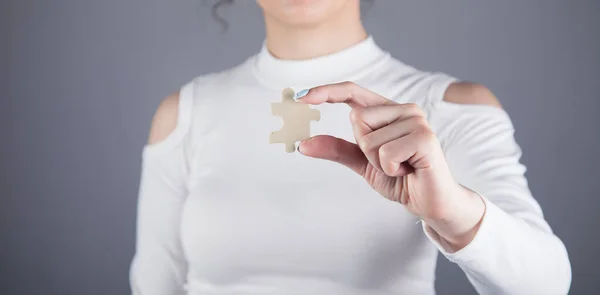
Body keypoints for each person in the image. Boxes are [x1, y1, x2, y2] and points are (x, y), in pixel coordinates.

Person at [129, 0, 572, 294]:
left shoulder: (449, 107)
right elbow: (155, 285)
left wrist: (451, 211)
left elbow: (547, 284)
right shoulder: (187, 112)